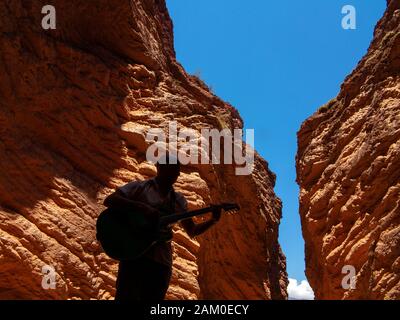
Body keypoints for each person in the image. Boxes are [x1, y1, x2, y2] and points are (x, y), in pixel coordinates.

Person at [103, 154, 221, 301]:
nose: (174, 174)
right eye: (170, 169)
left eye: (176, 171)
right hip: (134, 255)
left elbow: (192, 231)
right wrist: (142, 208)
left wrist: (213, 220)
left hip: (160, 263)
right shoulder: (140, 188)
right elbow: (110, 200)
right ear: (159, 168)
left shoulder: (178, 201)